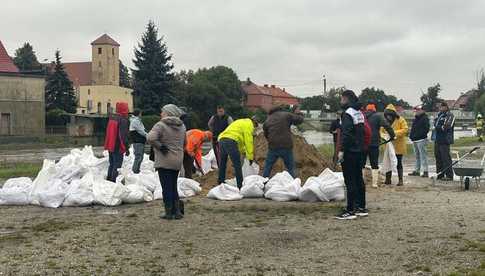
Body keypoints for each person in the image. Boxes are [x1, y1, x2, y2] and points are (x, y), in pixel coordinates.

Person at [147, 104, 186, 220]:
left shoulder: (161, 125)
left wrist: (160, 146)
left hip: (164, 159)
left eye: (162, 112)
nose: (161, 114)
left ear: (168, 113)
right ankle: (177, 212)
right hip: (178, 159)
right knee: (173, 185)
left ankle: (168, 212)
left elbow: (150, 138)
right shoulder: (182, 126)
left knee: (166, 187)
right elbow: (185, 143)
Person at [335, 90, 366, 220]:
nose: (340, 101)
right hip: (360, 151)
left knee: (350, 180)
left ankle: (350, 210)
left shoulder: (347, 114)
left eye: (341, 99)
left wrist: (341, 150)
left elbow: (346, 134)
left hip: (350, 152)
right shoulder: (359, 113)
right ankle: (361, 207)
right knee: (359, 179)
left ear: (346, 99)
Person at [262, 105, 304, 178]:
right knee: (290, 168)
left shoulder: (267, 120)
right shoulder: (286, 115)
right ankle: (293, 184)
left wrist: (271, 141)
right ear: (280, 109)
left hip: (273, 147)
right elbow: (299, 120)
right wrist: (299, 114)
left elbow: (266, 135)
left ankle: (263, 183)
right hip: (286, 146)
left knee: (268, 166)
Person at [217, 117, 258, 189]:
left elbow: (240, 143)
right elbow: (248, 141)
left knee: (223, 163)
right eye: (254, 127)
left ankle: (220, 182)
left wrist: (244, 152)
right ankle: (240, 186)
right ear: (254, 123)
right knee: (237, 165)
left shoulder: (240, 122)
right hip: (230, 141)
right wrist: (250, 157)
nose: (253, 129)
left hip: (221, 139)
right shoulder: (249, 125)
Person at [364, 103, 395, 188]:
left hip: (362, 144)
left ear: (367, 110)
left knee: (361, 163)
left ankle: (362, 182)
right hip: (374, 143)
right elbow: (387, 126)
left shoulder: (362, 116)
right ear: (374, 110)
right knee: (374, 164)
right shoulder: (378, 116)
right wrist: (392, 135)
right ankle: (374, 184)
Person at [382, 104, 409, 186]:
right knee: (388, 162)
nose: (388, 117)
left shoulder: (401, 120)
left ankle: (400, 180)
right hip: (388, 146)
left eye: (390, 115)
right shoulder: (384, 121)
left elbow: (405, 129)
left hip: (398, 145)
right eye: (387, 115)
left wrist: (393, 133)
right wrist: (384, 136)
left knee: (399, 162)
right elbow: (381, 131)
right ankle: (388, 179)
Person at [104, 102, 130, 182]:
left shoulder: (112, 118)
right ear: (124, 109)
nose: (128, 110)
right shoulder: (123, 120)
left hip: (110, 145)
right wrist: (126, 148)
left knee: (112, 164)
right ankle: (113, 182)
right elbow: (123, 136)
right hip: (118, 146)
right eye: (127, 108)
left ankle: (109, 180)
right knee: (117, 166)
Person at [434, 102, 455, 181]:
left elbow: (446, 127)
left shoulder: (450, 115)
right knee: (438, 157)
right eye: (440, 107)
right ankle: (440, 174)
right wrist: (439, 126)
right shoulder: (439, 115)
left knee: (445, 158)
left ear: (446, 107)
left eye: (442, 107)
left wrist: (439, 127)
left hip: (445, 140)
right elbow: (435, 124)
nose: (440, 108)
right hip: (438, 139)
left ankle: (449, 175)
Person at [409, 105, 430, 177]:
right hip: (415, 140)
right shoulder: (416, 119)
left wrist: (419, 135)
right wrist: (411, 136)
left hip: (421, 139)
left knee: (423, 156)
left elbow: (426, 129)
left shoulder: (425, 118)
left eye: (418, 110)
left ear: (422, 110)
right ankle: (417, 170)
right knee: (417, 156)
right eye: (416, 110)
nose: (416, 111)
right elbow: (413, 129)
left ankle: (425, 171)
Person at [129, 109, 147, 174]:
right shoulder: (135, 121)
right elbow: (141, 131)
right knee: (138, 157)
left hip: (139, 141)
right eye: (141, 113)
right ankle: (135, 171)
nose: (141, 115)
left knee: (140, 156)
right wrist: (148, 136)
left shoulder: (137, 121)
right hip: (138, 141)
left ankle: (136, 170)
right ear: (138, 114)